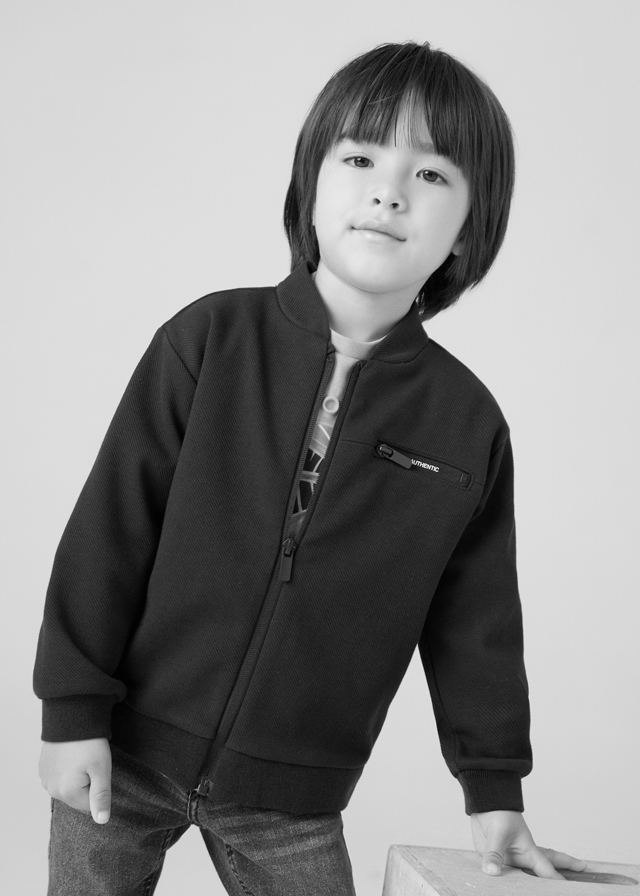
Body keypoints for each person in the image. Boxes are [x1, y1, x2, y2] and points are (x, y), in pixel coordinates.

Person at [34, 40, 587, 895]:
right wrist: (71, 710)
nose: (389, 192)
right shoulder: (209, 340)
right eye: (360, 158)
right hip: (123, 753)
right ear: (311, 185)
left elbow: (475, 621)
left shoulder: (466, 423)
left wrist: (494, 794)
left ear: (470, 229)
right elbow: (112, 527)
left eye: (431, 174)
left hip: (291, 796)